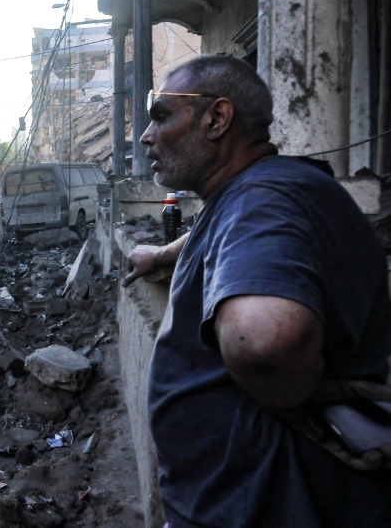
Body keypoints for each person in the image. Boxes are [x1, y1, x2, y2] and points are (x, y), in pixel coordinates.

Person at [123, 55, 391, 527]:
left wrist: (290, 398)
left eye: (161, 116)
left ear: (217, 119)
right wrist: (163, 255)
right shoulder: (256, 190)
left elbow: (263, 343)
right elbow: (225, 229)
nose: (147, 136)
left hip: (263, 498)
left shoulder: (261, 200)